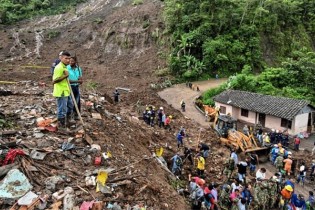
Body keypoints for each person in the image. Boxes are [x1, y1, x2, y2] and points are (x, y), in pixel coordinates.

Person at [52, 51, 73, 130]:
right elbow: (54, 81)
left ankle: (67, 121)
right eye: (66, 58)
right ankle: (61, 126)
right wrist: (65, 76)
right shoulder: (59, 67)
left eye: (69, 58)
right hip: (61, 92)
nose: (68, 60)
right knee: (62, 109)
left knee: (70, 106)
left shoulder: (65, 67)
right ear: (61, 58)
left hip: (66, 91)